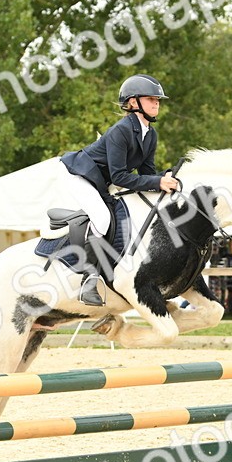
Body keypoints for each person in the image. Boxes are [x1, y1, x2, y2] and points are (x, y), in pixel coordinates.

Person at [58, 74, 178, 305]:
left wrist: (165, 178)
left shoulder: (150, 135)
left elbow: (145, 174)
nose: (157, 103)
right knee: (102, 218)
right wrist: (157, 182)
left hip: (102, 181)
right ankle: (88, 280)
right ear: (134, 103)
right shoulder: (120, 131)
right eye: (151, 99)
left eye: (158, 100)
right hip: (78, 174)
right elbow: (120, 177)